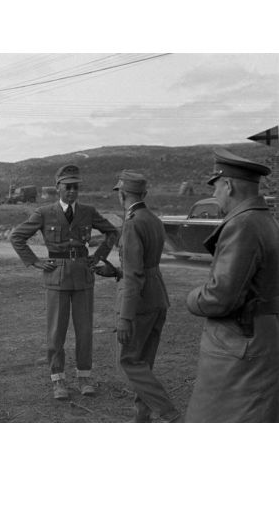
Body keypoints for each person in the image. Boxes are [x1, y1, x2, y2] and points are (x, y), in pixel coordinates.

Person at [185, 148, 279, 423]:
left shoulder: (243, 224)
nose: (214, 195)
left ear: (228, 185)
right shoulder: (263, 219)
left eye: (216, 187)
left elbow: (220, 297)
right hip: (260, 335)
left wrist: (192, 298)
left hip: (239, 344)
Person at [10, 164, 118, 400]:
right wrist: (35, 262)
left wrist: (98, 257)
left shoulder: (88, 211)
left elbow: (113, 232)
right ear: (57, 187)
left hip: (82, 276)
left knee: (84, 330)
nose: (72, 191)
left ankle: (84, 377)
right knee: (56, 332)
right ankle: (58, 379)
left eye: (75, 187)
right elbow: (17, 237)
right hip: (56, 276)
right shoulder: (44, 212)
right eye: (67, 187)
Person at [113, 171, 180, 423]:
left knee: (128, 361)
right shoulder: (153, 219)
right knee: (144, 361)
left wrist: (124, 317)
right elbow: (143, 265)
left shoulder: (132, 223)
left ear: (122, 195)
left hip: (138, 303)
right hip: (157, 297)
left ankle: (167, 411)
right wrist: (117, 271)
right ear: (144, 194)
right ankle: (142, 416)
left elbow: (135, 275)